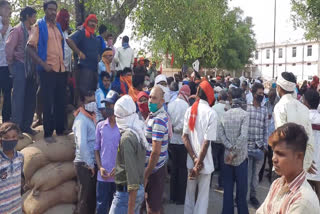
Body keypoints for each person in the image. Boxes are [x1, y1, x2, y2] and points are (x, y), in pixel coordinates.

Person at [257, 123, 320, 214]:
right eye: (274, 152)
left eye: (280, 154)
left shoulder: (303, 200)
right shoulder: (277, 184)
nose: (273, 159)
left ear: (299, 157)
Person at [27, 0, 66, 142]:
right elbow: (29, 48)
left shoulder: (58, 27)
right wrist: (43, 65)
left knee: (60, 101)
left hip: (60, 69)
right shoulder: (39, 26)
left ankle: (60, 130)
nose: (53, 12)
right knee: (47, 102)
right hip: (47, 70)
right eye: (50, 9)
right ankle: (48, 133)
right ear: (45, 10)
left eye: (54, 10)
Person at [183, 81, 217, 214]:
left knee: (189, 194)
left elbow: (184, 137)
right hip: (205, 163)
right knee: (203, 197)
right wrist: (199, 162)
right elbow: (206, 142)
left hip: (192, 161)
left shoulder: (189, 110)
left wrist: (194, 159)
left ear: (197, 94)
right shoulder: (211, 113)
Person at [109, 95, 146, 214]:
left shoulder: (126, 138)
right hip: (135, 190)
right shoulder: (138, 129)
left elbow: (132, 178)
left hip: (127, 194)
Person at [274, 72, 315, 174]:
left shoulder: (280, 107)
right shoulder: (303, 108)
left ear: (278, 87)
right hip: (300, 163)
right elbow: (310, 139)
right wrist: (306, 162)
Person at [5, 6, 37, 135]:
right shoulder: (17, 30)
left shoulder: (32, 31)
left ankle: (26, 125)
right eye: (33, 16)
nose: (35, 18)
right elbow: (9, 49)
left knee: (30, 97)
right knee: (18, 98)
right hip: (19, 66)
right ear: (28, 17)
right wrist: (12, 67)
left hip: (31, 68)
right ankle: (16, 127)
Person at [219, 87, 249, 214]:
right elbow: (243, 136)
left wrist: (230, 150)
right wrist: (234, 151)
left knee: (228, 191)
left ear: (230, 99)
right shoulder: (245, 115)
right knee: (241, 193)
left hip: (227, 159)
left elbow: (221, 136)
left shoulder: (224, 115)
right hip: (241, 158)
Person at [95, 90, 120, 214]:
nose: (108, 108)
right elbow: (96, 150)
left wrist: (119, 166)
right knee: (101, 208)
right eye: (107, 106)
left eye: (111, 105)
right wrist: (100, 167)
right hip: (103, 177)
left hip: (118, 177)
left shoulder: (122, 127)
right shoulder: (100, 126)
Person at [144, 86, 169, 214]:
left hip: (153, 171)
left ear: (161, 101)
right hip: (154, 168)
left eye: (154, 98)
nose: (150, 101)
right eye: (149, 97)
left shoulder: (158, 120)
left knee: (152, 208)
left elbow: (155, 151)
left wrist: (146, 174)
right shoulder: (154, 115)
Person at [73, 90, 97, 214]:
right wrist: (90, 164)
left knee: (91, 198)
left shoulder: (91, 117)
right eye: (89, 101)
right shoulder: (81, 120)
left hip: (91, 162)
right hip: (84, 163)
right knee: (85, 198)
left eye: (93, 101)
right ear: (82, 102)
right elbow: (82, 144)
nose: (92, 103)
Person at [67, 14, 101, 96]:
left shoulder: (94, 36)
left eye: (95, 22)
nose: (93, 24)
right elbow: (69, 39)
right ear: (87, 22)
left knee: (93, 94)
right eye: (91, 21)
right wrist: (79, 52)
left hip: (94, 69)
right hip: (84, 68)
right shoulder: (82, 32)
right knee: (84, 95)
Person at [246, 83, 268, 208]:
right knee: (247, 175)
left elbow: (265, 129)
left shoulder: (264, 109)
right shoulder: (247, 107)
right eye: (259, 93)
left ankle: (253, 197)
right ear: (253, 93)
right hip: (247, 148)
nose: (261, 95)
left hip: (259, 148)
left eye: (262, 94)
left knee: (255, 177)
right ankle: (243, 198)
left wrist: (265, 146)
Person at [167, 85, 191, 204]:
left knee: (174, 169)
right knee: (182, 170)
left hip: (171, 141)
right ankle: (180, 198)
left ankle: (172, 196)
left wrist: (173, 129)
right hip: (182, 141)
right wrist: (178, 129)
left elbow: (168, 122)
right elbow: (185, 125)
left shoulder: (170, 105)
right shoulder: (186, 106)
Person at [0, 122, 23, 213]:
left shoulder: (20, 157)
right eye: (6, 137)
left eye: (14, 137)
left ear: (18, 138)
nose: (10, 140)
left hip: (16, 208)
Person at [303, 89, 320, 200]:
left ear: (307, 103)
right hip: (318, 165)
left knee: (305, 199)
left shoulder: (302, 119)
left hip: (306, 164)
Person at [211, 90, 228, 190]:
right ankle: (221, 184)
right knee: (222, 163)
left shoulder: (213, 108)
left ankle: (208, 182)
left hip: (214, 138)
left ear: (219, 98)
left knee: (212, 161)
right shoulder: (228, 109)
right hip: (224, 140)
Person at [0, 0, 12, 123]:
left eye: (9, 9)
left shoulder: (11, 27)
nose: (8, 11)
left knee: (7, 94)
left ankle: (6, 122)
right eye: (6, 8)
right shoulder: (5, 25)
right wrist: (4, 27)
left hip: (6, 65)